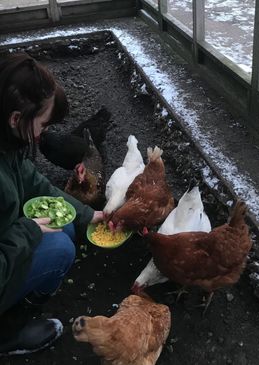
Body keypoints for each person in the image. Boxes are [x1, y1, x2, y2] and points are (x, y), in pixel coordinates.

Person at [0, 52, 104, 355]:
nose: (43, 134)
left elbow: (34, 181)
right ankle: (7, 334)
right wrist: (27, 231)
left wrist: (87, 213)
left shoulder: (7, 142)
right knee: (61, 248)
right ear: (16, 118)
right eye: (43, 125)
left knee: (68, 227)